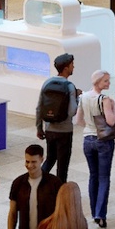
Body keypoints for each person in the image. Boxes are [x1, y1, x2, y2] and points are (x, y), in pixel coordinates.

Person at [77, 70, 115, 227]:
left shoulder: (83, 97)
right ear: (98, 82)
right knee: (104, 178)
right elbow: (112, 121)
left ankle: (94, 211)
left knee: (93, 176)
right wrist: (113, 108)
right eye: (106, 81)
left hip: (87, 140)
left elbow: (78, 120)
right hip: (103, 141)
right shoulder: (105, 99)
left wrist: (90, 126)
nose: (108, 83)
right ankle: (101, 214)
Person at [33, 52, 79, 182]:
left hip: (50, 129)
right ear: (66, 68)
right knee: (62, 166)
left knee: (50, 159)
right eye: (72, 65)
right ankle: (60, 193)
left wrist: (39, 128)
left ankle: (37, 182)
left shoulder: (47, 83)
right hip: (65, 132)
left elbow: (39, 108)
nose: (73, 68)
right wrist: (77, 98)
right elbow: (72, 112)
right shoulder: (69, 86)